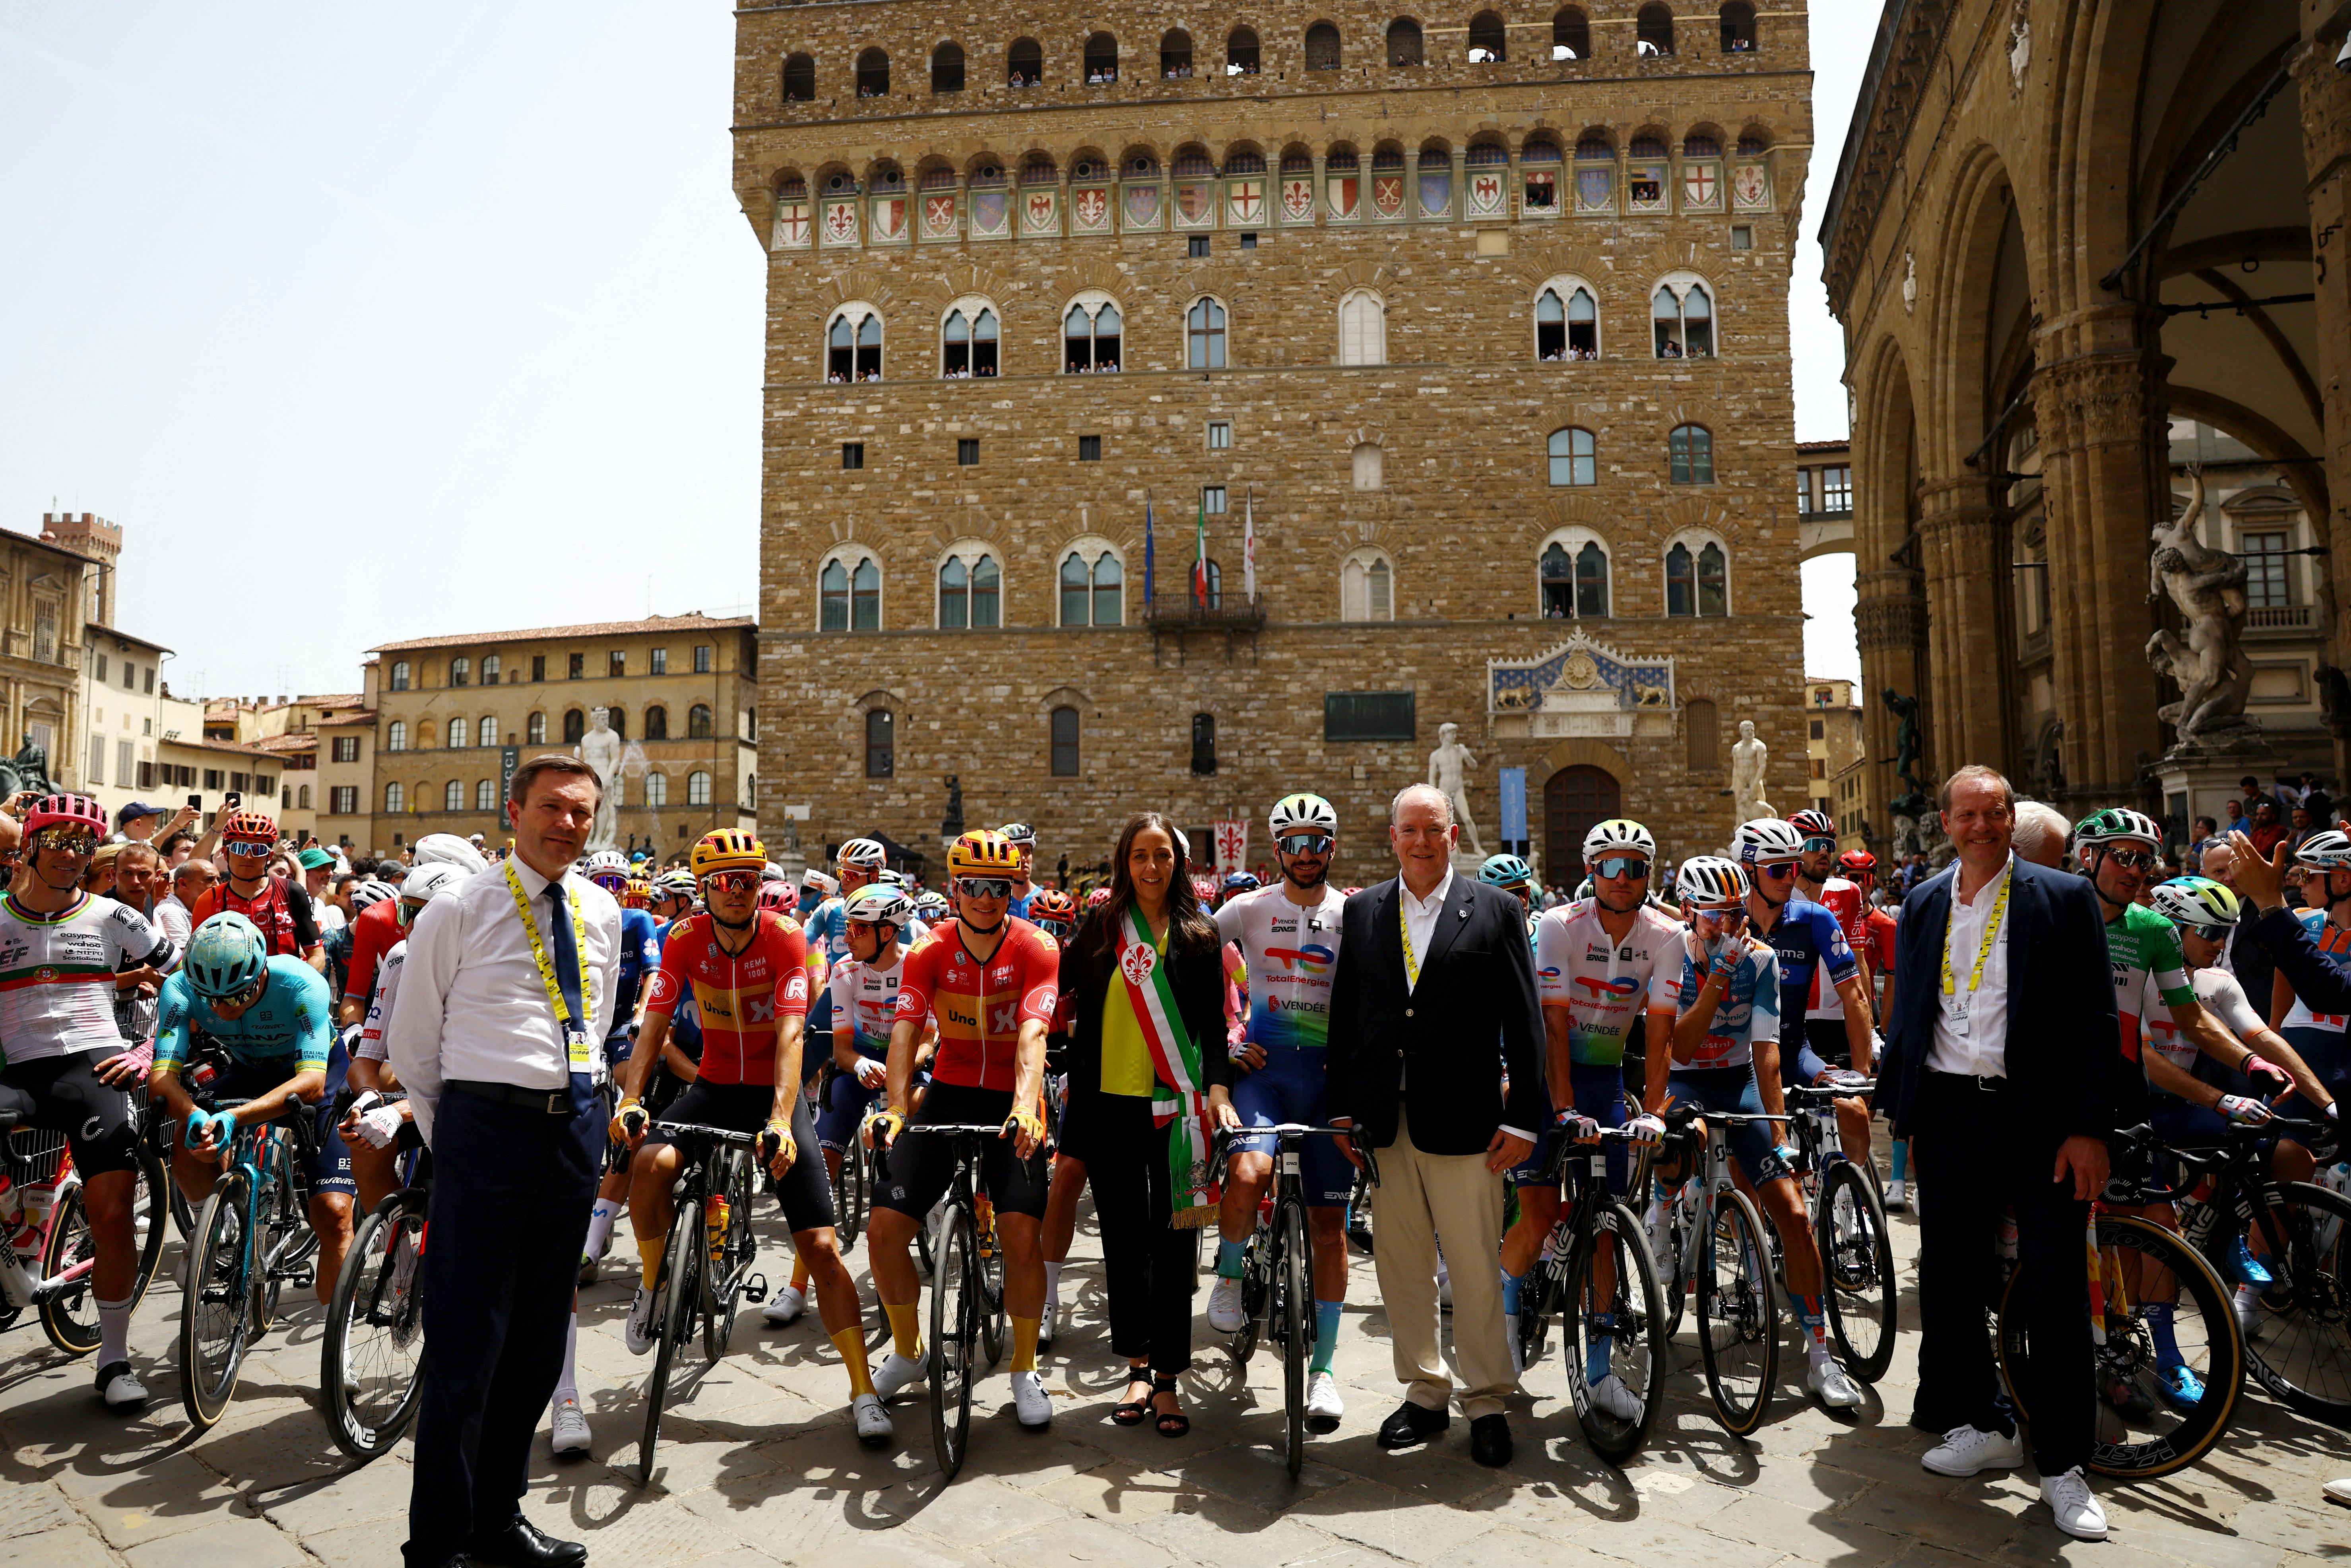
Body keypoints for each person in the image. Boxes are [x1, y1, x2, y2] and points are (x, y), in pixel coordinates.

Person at [385, 756, 619, 1568]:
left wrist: (586, 1110)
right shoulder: (457, 906)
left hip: (573, 1131)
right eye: (552, 807)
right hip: (484, 1128)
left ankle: (499, 1519)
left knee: (534, 1345)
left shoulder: (602, 909)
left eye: (583, 812)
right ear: (514, 811)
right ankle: (441, 1543)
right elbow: (413, 1043)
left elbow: (599, 1013)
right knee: (464, 1346)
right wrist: (456, 1134)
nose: (568, 824)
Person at [1872, 765, 2117, 1543]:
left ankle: (2062, 1463)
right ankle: (1983, 1424)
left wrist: (2089, 1128)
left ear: (2012, 820)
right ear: (1944, 824)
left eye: (1994, 812)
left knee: (2050, 1286)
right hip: (1948, 1112)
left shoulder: (2062, 896)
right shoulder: (1918, 903)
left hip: (2036, 1118)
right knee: (1947, 1277)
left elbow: (2092, 1020)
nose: (1980, 825)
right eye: (1966, 814)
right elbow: (1911, 1010)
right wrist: (1896, 1107)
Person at [613, 829, 876, 1440]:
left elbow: (790, 1034)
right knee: (647, 1166)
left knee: (821, 1249)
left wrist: (782, 1120)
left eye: (750, 881)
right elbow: (655, 1020)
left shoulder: (785, 938)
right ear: (703, 888)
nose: (739, 892)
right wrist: (631, 1097)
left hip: (769, 1096)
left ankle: (863, 1389)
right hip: (712, 1088)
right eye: (726, 882)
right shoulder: (683, 937)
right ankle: (654, 1286)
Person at [1324, 783, 1542, 1467]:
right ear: (1391, 837)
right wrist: (1340, 1109)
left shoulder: (1496, 911)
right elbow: (1345, 1017)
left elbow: (1526, 1022)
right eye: (1409, 830)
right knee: (1401, 1269)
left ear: (1453, 836)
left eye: (1433, 829)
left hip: (1467, 1121)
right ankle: (1423, 1393)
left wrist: (1526, 1119)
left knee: (1475, 1268)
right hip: (1385, 1124)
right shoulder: (1361, 912)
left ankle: (1484, 1400)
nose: (1421, 841)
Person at [865, 829, 1059, 1431]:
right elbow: (903, 1033)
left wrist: (1026, 1108)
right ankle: (905, 1350)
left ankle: (1024, 1368)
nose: (984, 897)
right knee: (883, 1230)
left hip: (1011, 1096)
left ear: (1011, 889)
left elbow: (1033, 1037)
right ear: (953, 888)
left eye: (997, 887)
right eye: (972, 886)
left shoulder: (1037, 946)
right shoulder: (929, 950)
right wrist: (898, 1108)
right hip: (948, 1090)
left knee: (1022, 1236)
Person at [1669, 829, 1865, 1411]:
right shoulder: (1670, 954)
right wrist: (1717, 981)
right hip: (1684, 1081)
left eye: (1734, 915)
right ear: (1687, 913)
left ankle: (1821, 1354)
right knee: (1679, 1147)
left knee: (1794, 1214)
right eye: (1712, 918)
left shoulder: (1760, 958)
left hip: (1737, 1081)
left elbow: (1767, 1052)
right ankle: (1663, 1223)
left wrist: (1775, 1133)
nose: (1727, 927)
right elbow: (1679, 1049)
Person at [0, 793, 176, 1408]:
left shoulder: (113, 916)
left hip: (95, 1066)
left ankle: (115, 1360)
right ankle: (21, 1230)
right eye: (60, 842)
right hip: (20, 1068)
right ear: (30, 845)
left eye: (84, 846)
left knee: (112, 1213)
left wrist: (150, 1049)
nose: (73, 858)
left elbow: (184, 980)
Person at [1064, 812, 1227, 1437]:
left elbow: (1213, 1026)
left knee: (1174, 1243)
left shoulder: (1199, 935)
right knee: (1123, 1242)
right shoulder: (1103, 927)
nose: (1151, 868)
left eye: (1162, 856)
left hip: (1177, 1111)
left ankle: (1168, 1378)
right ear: (1123, 863)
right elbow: (1063, 992)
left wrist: (1217, 1089)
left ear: (1177, 863)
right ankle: (1136, 1363)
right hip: (1109, 1107)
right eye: (1140, 856)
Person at [1206, 792, 1352, 1429]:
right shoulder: (1245, 909)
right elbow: (1186, 965)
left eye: (1316, 841)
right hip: (1263, 1074)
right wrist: (1225, 1044)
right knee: (1246, 1176)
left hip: (1325, 1081)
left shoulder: (1354, 914)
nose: (1304, 853)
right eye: (1292, 842)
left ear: (1331, 848)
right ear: (1275, 850)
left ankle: (1322, 1372)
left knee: (1330, 1229)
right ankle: (1231, 1273)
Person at [1520, 819, 1676, 1410]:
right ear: (1591, 872)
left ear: (1647, 875)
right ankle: (1513, 1307)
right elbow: (1553, 1024)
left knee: (1606, 1229)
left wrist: (1657, 1111)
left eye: (1634, 867)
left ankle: (1600, 1368)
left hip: (1605, 1081)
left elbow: (1659, 1033)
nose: (1621, 878)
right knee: (1534, 1222)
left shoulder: (1666, 934)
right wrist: (1561, 1107)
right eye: (1609, 866)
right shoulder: (1559, 924)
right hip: (1546, 1083)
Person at [150, 912, 356, 1305]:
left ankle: (336, 1344)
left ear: (261, 973)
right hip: (249, 1069)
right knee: (186, 1140)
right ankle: (212, 1223)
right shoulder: (179, 988)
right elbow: (162, 1079)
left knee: (332, 1215)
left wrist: (233, 1117)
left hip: (317, 1073)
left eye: (239, 996)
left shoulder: (300, 983)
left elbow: (311, 1085)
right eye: (212, 999)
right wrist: (195, 1114)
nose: (224, 1009)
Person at [782, 881, 914, 1328]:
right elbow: (840, 1050)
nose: (847, 934)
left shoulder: (917, 965)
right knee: (821, 1162)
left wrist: (899, 1069)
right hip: (859, 1065)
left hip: (910, 1064)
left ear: (888, 933)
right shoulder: (844, 970)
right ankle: (799, 1284)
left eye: (859, 927)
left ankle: (936, 1212)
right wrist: (858, 1068)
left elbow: (931, 1040)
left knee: (921, 1125)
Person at [577, 850, 664, 1289]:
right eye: (603, 881)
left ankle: (625, 1132)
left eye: (618, 882)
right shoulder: (580, 912)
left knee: (628, 1088)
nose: (611, 891)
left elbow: (652, 974)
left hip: (622, 1030)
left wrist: (641, 1016)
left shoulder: (637, 920)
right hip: (585, 1030)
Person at [190, 808, 325, 973]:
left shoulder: (293, 892)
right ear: (225, 853)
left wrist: (299, 984)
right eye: (239, 848)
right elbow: (197, 959)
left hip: (284, 988)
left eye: (259, 849)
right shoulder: (209, 900)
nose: (248, 856)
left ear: (270, 856)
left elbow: (317, 955)